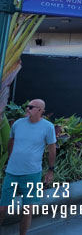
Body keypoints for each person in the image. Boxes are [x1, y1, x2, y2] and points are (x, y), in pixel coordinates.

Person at [0, 99, 57, 235]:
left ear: (40, 110)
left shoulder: (48, 127)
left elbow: (52, 149)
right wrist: (10, 159)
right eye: (27, 106)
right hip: (12, 172)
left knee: (27, 209)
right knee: (2, 208)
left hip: (32, 174)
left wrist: (50, 170)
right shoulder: (18, 124)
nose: (27, 109)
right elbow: (11, 141)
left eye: (31, 107)